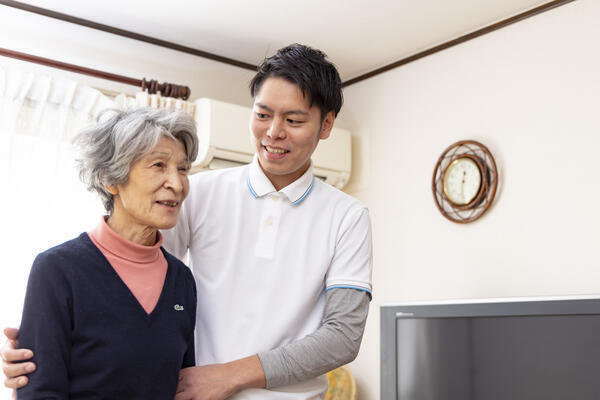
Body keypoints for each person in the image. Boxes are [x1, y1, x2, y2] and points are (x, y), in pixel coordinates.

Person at [3, 44, 373, 400]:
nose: (274, 132)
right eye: (262, 115)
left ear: (326, 125)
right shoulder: (195, 192)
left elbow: (341, 336)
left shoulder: (347, 217)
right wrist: (50, 340)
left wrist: (228, 375)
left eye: (293, 120)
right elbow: (135, 283)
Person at [9, 107, 199, 399]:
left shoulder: (181, 280)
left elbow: (183, 388)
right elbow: (40, 393)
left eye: (182, 168)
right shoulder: (57, 269)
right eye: (159, 165)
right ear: (111, 179)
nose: (176, 183)